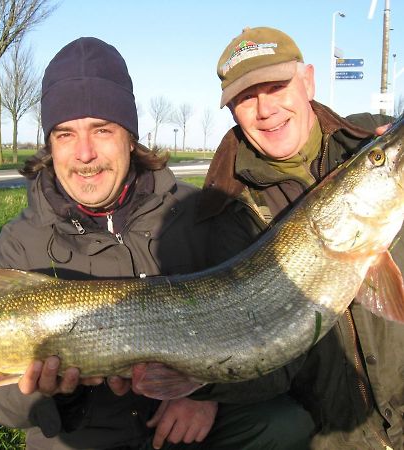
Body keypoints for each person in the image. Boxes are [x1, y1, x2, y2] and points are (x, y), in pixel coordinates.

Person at [0, 37, 313, 450]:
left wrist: (208, 396)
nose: (84, 153)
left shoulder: (202, 212)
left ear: (131, 137)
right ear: (50, 145)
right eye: (65, 135)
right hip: (85, 436)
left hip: (191, 430)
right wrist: (53, 392)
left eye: (102, 130)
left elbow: (267, 330)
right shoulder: (18, 243)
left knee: (284, 424)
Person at [193, 26, 404, 449]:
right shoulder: (224, 209)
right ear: (232, 109)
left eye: (276, 86)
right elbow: (263, 362)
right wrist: (202, 390)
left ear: (308, 80)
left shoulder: (369, 139)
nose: (265, 108)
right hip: (335, 435)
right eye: (246, 97)